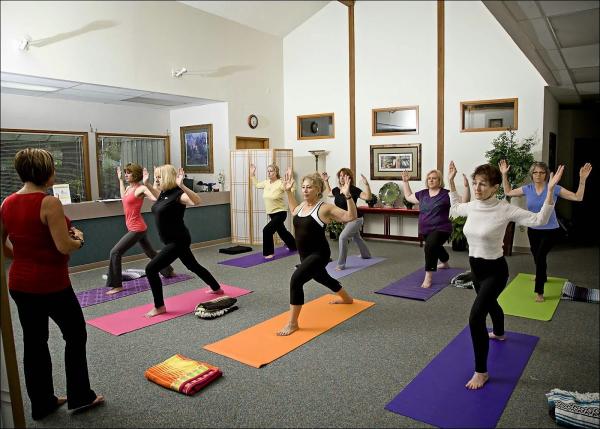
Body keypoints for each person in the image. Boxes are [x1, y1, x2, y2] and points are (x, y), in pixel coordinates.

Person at [1, 148, 104, 420]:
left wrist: (24, 258)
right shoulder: (49, 203)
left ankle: (42, 404)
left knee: (34, 343)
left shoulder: (6, 203)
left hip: (20, 284)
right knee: (75, 335)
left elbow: (3, 246)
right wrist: (79, 239)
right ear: (44, 172)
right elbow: (63, 246)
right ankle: (81, 396)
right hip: (51, 284)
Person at [447, 160, 563, 390]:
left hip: (496, 271)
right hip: (476, 269)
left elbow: (539, 219)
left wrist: (550, 191)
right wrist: (450, 183)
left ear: (495, 187)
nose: (478, 188)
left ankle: (481, 372)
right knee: (490, 305)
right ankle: (499, 332)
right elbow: (454, 210)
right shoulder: (472, 206)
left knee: (476, 316)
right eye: (475, 183)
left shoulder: (505, 208)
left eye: (483, 184)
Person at [277, 170, 357, 336]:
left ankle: (293, 323)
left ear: (318, 190)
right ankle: (346, 298)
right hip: (304, 255)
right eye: (303, 187)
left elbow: (350, 217)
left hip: (319, 253)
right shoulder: (301, 206)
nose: (305, 190)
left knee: (296, 280)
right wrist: (288, 191)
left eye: (309, 187)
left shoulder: (325, 208)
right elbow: (293, 211)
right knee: (322, 277)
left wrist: (348, 196)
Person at [500, 160, 592, 302]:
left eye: (541, 172)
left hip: (550, 230)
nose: (538, 175)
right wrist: (504, 175)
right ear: (532, 174)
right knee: (537, 256)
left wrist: (582, 180)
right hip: (533, 228)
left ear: (546, 175)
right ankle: (542, 275)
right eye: (535, 172)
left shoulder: (554, 188)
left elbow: (577, 197)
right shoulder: (527, 189)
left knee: (541, 256)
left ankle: (539, 291)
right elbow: (508, 192)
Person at [143, 164, 224, 318]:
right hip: (171, 240)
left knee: (151, 269)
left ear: (167, 177)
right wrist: (147, 183)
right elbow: (157, 197)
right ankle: (216, 287)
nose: (157, 180)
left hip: (178, 240)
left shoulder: (179, 195)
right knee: (192, 265)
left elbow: (197, 201)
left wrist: (182, 186)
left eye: (159, 177)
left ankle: (159, 306)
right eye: (156, 177)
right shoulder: (164, 193)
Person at [104, 163, 174, 295]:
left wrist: (149, 184)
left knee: (115, 252)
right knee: (151, 252)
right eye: (125, 172)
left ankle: (117, 285)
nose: (126, 174)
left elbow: (156, 198)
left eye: (129, 172)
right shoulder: (128, 189)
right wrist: (119, 180)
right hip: (136, 227)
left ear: (135, 174)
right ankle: (168, 270)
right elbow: (123, 197)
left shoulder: (141, 188)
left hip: (137, 228)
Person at [401, 169, 470, 288]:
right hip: (425, 229)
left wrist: (466, 187)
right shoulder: (422, 194)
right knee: (435, 246)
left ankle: (428, 276)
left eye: (434, 178)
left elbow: (464, 202)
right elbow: (408, 197)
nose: (431, 180)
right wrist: (406, 182)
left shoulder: (446, 194)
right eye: (429, 178)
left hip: (442, 229)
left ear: (440, 180)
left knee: (430, 246)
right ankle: (445, 262)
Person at [321, 168, 372, 270]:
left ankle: (341, 264)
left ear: (349, 177)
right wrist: (326, 181)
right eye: (340, 176)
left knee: (343, 238)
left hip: (356, 219)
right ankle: (366, 255)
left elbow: (368, 197)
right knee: (356, 237)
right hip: (346, 219)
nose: (342, 178)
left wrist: (367, 185)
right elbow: (329, 193)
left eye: (344, 175)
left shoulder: (353, 189)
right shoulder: (337, 190)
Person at [249, 163, 297, 258]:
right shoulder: (266, 182)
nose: (269, 173)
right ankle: (294, 246)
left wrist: (290, 177)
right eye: (268, 171)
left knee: (267, 230)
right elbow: (257, 185)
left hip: (280, 212)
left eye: (271, 171)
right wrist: (252, 174)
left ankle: (268, 253)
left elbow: (290, 190)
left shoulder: (280, 183)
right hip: (271, 213)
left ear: (276, 172)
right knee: (282, 231)